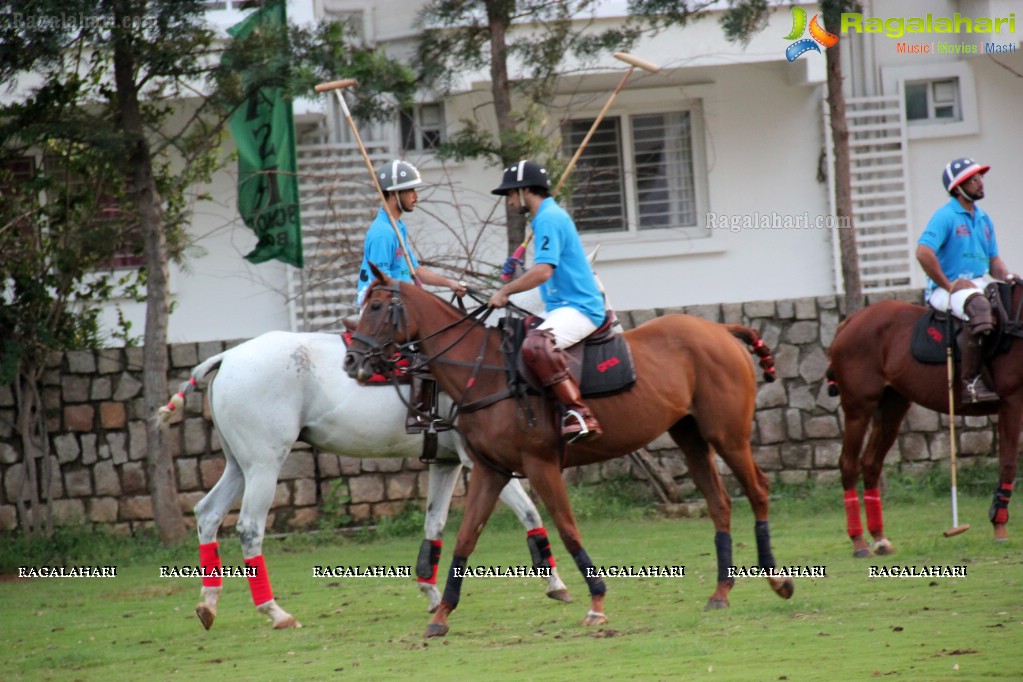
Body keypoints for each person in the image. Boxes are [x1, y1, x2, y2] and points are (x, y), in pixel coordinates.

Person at [488, 159, 607, 443]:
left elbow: (543, 272)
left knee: (537, 344)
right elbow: (543, 271)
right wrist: (518, 273)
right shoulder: (545, 218)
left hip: (581, 308)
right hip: (560, 307)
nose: (508, 201)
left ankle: (579, 413)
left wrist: (505, 292)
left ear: (526, 190)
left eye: (510, 194)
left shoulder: (548, 218)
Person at [357, 159, 467, 434]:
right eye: (410, 191)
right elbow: (381, 285)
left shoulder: (397, 227)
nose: (416, 196)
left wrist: (450, 283)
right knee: (430, 344)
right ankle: (416, 414)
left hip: (401, 301)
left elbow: (414, 270)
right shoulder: (382, 233)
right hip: (380, 305)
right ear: (394, 194)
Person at [916, 157, 1017, 402]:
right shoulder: (946, 216)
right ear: (958, 187)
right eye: (973, 179)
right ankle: (970, 382)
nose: (980, 183)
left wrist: (1008, 276)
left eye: (980, 177)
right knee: (980, 307)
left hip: (977, 282)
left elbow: (993, 261)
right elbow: (923, 252)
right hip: (946, 289)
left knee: (1012, 301)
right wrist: (948, 285)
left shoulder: (983, 218)